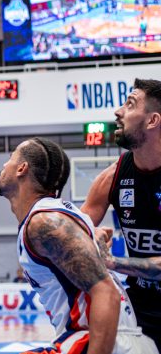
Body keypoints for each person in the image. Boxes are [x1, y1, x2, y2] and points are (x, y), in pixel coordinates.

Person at [0, 137, 157, 354]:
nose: (4, 164)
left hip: (101, 339)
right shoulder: (54, 216)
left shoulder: (45, 222)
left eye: (11, 157)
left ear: (21, 168)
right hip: (104, 337)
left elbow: (106, 292)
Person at [82, 78, 161, 350]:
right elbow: (74, 232)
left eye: (130, 104)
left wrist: (112, 261)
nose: (118, 111)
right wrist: (88, 236)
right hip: (140, 311)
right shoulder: (113, 176)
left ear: (152, 120)